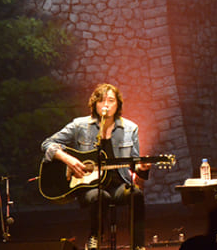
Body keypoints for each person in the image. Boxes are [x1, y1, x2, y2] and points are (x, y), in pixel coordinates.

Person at [41, 83, 150, 250]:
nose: (106, 104)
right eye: (101, 101)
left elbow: (134, 163)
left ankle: (138, 245)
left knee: (136, 194)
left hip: (118, 185)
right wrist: (68, 159)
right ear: (94, 104)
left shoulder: (130, 128)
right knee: (99, 196)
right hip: (89, 186)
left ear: (118, 104)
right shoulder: (79, 125)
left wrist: (142, 168)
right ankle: (94, 237)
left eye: (111, 100)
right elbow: (48, 144)